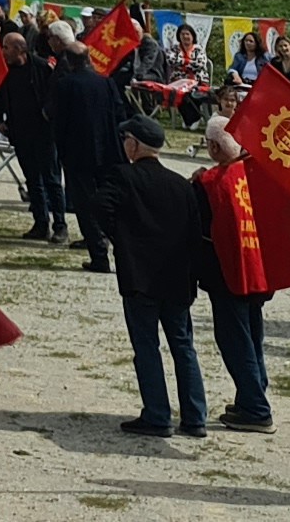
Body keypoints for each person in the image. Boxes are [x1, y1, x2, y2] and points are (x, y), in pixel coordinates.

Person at [95, 115, 207, 438]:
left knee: (147, 346)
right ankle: (195, 415)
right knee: (183, 346)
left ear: (134, 144)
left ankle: (158, 414)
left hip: (140, 275)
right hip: (177, 279)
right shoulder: (180, 184)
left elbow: (100, 207)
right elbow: (195, 234)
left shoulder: (123, 176)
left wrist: (121, 237)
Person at [192, 121, 275, 432]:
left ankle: (255, 408)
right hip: (258, 267)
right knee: (252, 336)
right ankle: (252, 394)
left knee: (234, 340)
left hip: (228, 273)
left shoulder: (211, 183)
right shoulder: (252, 175)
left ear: (214, 148)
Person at [48, 23, 121, 272]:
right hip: (107, 151)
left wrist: (61, 149)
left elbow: (58, 121)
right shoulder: (106, 83)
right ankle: (117, 248)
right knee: (108, 202)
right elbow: (118, 114)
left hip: (78, 154)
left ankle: (99, 255)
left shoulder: (65, 85)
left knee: (86, 204)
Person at [0, 31, 63, 245]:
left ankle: (60, 224)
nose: (3, 51)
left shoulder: (42, 68)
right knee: (33, 180)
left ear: (19, 49)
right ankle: (40, 222)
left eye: (6, 47)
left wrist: (47, 114)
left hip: (43, 133)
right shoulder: (5, 71)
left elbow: (54, 96)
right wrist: (0, 120)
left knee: (51, 180)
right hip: (20, 133)